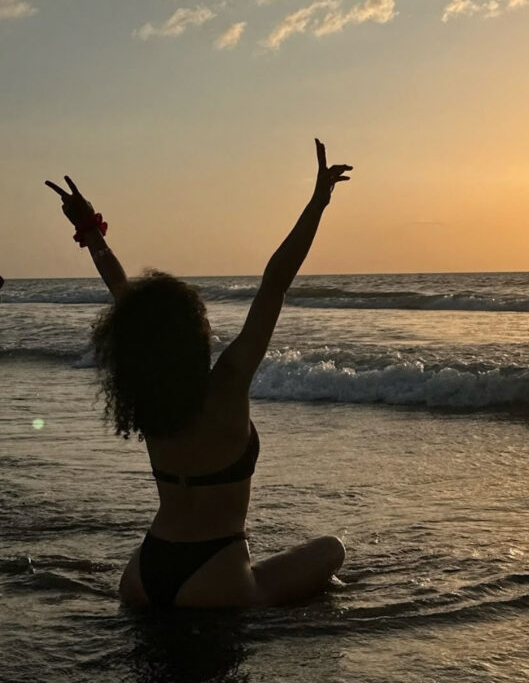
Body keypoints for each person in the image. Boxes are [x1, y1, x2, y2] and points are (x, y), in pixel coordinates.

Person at [44, 139, 352, 609]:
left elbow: (124, 295)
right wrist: (317, 204)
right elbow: (276, 281)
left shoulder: (150, 394)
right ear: (194, 335)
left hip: (143, 576)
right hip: (216, 577)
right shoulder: (227, 382)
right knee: (332, 549)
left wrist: (90, 231)